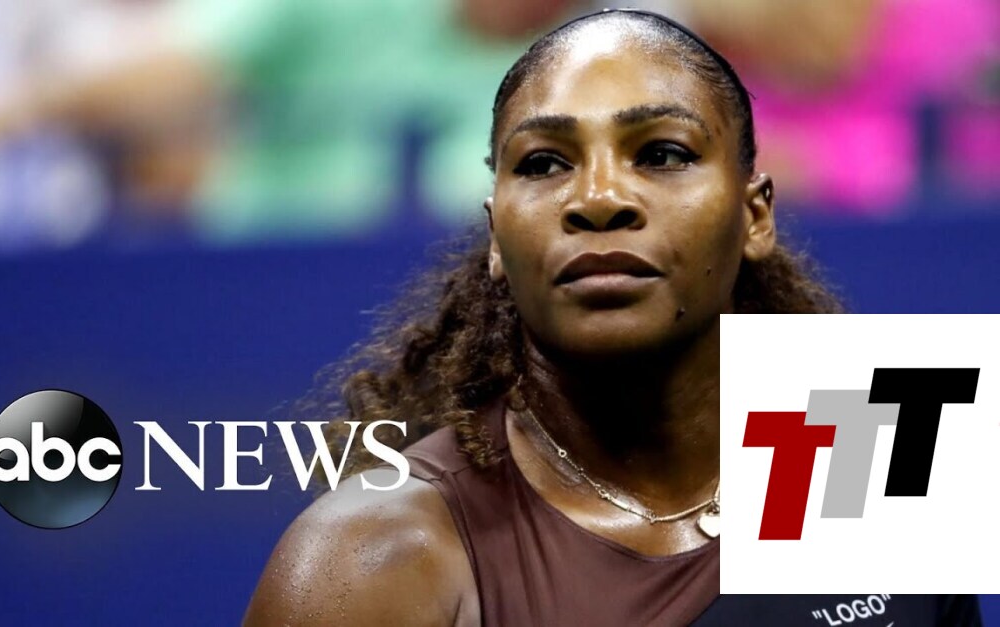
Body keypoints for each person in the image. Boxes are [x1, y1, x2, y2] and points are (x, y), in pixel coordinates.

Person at [242, 10, 980, 626]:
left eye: (661, 153)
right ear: (495, 236)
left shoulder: (889, 446)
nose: (598, 198)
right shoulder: (371, 559)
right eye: (543, 163)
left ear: (754, 214)